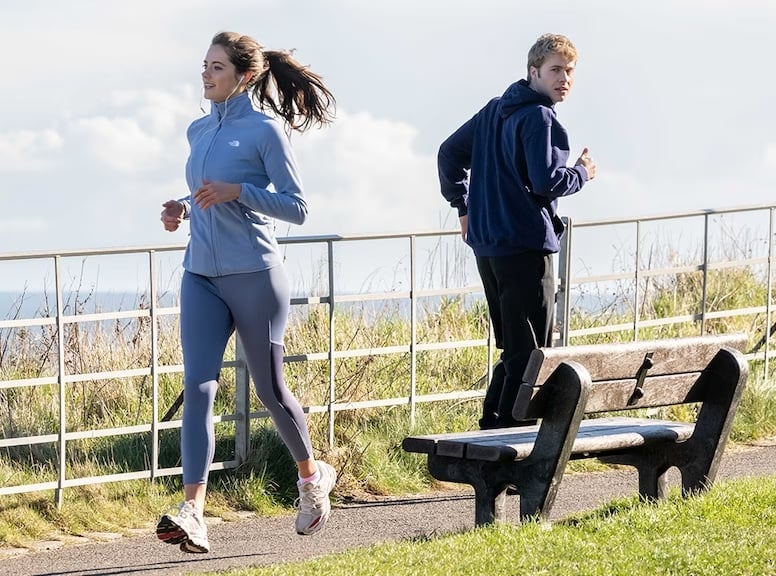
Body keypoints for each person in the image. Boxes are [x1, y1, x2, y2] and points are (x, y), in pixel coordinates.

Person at [155, 31, 337, 554]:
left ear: (245, 76)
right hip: (201, 276)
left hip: (257, 275)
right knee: (200, 389)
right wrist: (183, 209)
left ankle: (310, 477)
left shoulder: (265, 132)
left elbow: (297, 207)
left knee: (270, 390)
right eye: (204, 66)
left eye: (216, 67)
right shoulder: (196, 131)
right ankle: (193, 512)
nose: (206, 75)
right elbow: (205, 195)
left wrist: (241, 192)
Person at [437, 33, 596, 430]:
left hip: (488, 248)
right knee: (530, 350)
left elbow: (448, 154)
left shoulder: (494, 110)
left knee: (514, 345)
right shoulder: (539, 117)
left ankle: (493, 424)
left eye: (570, 71)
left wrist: (465, 208)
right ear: (533, 72)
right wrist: (581, 173)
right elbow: (546, 182)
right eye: (556, 70)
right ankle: (508, 432)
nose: (565, 79)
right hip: (525, 246)